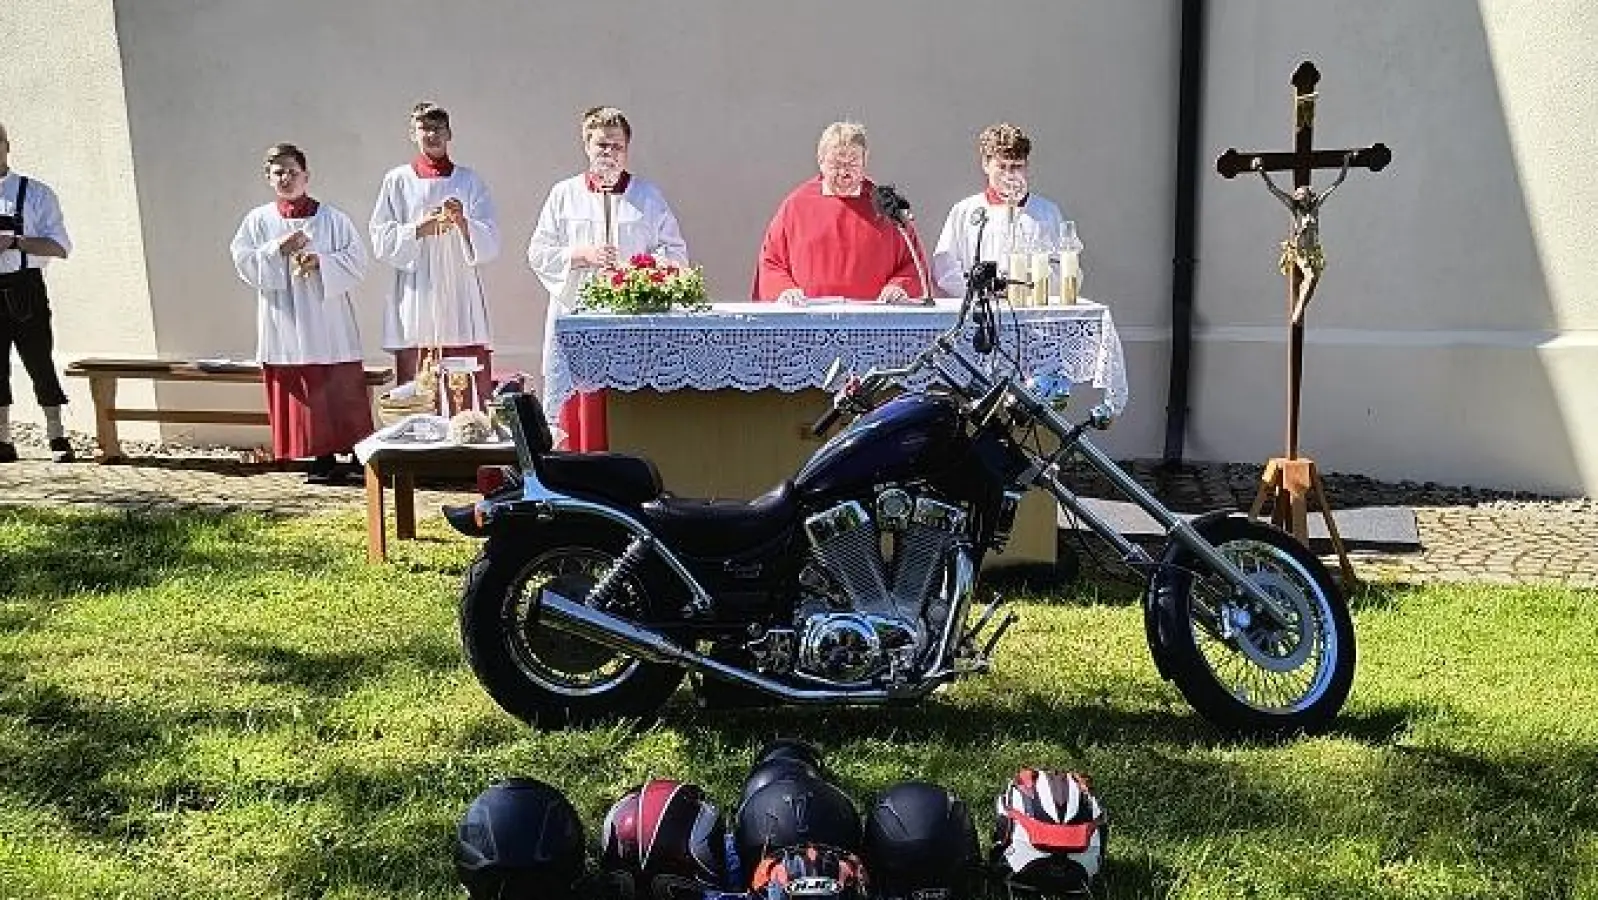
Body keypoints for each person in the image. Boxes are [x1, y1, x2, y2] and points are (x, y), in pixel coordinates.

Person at [528, 106, 688, 451]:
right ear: (587, 145)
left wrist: (637, 267)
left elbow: (675, 254)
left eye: (616, 146)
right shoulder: (564, 195)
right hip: (575, 314)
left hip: (628, 320)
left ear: (627, 150)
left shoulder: (647, 197)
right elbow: (538, 252)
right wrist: (580, 255)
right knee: (573, 413)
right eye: (601, 145)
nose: (609, 153)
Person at [230, 143, 372, 484]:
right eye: (278, 172)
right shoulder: (258, 220)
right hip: (285, 318)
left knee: (338, 380)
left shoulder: (333, 219)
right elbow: (243, 260)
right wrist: (278, 249)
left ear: (306, 176)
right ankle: (319, 456)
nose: (286, 178)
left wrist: (322, 261)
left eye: (292, 172)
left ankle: (354, 453)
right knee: (303, 384)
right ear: (268, 177)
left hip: (329, 317)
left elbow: (357, 261)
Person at [370, 102, 500, 406]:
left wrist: (463, 222)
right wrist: (418, 229)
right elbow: (380, 235)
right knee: (420, 366)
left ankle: (469, 432)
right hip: (418, 289)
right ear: (413, 134)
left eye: (437, 128)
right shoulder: (398, 180)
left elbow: (491, 236)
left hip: (459, 289)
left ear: (449, 133)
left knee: (463, 366)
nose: (431, 134)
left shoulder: (469, 181)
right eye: (424, 128)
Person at [752, 121, 927, 305]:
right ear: (820, 161)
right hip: (808, 321)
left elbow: (913, 263)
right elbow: (771, 262)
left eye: (852, 163)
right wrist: (784, 289)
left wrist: (900, 286)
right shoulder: (796, 206)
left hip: (874, 321)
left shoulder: (885, 207)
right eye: (836, 164)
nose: (844, 172)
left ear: (865, 160)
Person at [0, 120, 74, 463]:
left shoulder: (36, 192)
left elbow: (60, 247)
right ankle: (3, 439)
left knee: (39, 360)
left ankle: (57, 436)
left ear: (7, 145)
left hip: (25, 287)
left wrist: (14, 241)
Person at [931, 123, 1072, 299]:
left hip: (1029, 310)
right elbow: (945, 266)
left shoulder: (1046, 212)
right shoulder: (965, 211)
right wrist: (980, 290)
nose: (1009, 175)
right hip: (981, 309)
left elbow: (1061, 266)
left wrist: (1026, 287)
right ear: (986, 165)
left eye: (1016, 166)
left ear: (1026, 166)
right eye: (1001, 166)